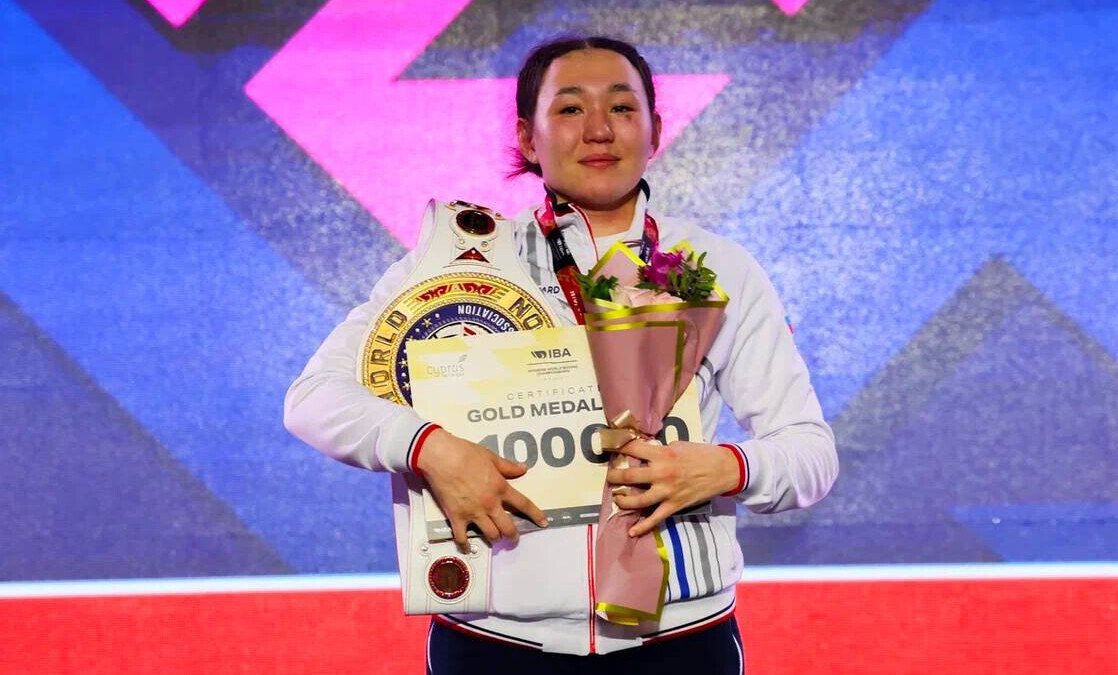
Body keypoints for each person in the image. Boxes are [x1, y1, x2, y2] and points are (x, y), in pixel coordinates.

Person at [284, 35, 838, 674]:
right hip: (494, 646)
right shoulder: (459, 265)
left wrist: (725, 468)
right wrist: (428, 447)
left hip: (683, 643)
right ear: (527, 137)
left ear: (656, 132)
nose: (599, 129)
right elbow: (313, 399)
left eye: (623, 108)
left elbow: (810, 454)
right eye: (571, 108)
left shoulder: (713, 269)